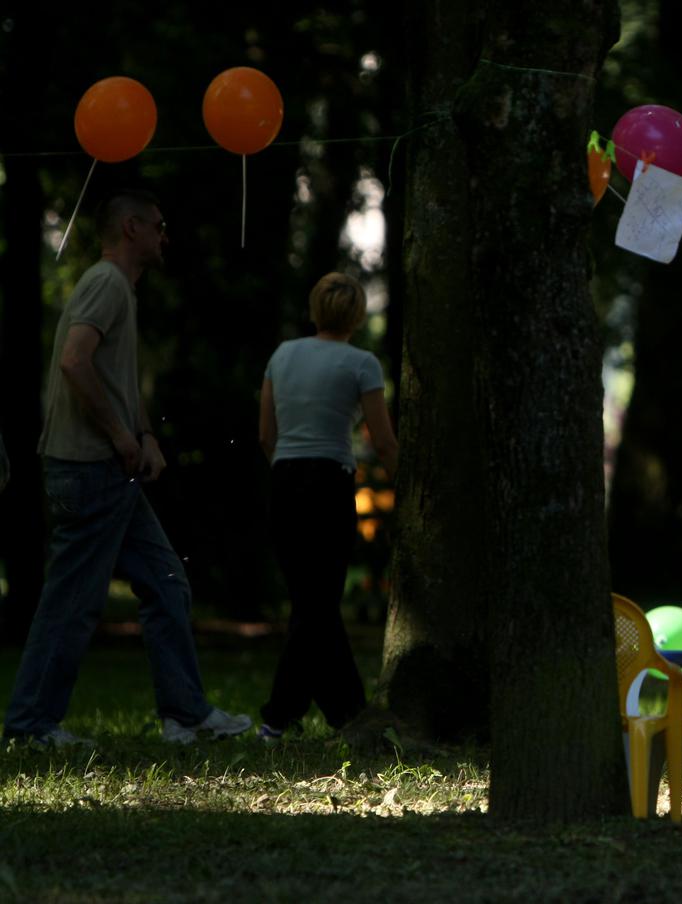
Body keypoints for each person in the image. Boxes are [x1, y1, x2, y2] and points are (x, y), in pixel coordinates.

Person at [4, 190, 252, 747]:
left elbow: (116, 378)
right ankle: (30, 726)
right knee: (72, 601)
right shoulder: (106, 283)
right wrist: (119, 436)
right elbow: (74, 361)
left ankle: (185, 714)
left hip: (111, 471)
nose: (166, 236)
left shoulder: (122, 291)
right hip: (88, 469)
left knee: (167, 581)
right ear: (132, 228)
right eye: (160, 226)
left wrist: (143, 435)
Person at [257, 272, 398, 741]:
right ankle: (280, 717)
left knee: (311, 604)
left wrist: (284, 465)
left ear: (315, 308)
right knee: (318, 605)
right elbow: (380, 439)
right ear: (356, 316)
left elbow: (265, 434)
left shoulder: (282, 355)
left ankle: (346, 714)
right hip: (329, 484)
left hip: (285, 479)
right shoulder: (361, 364)